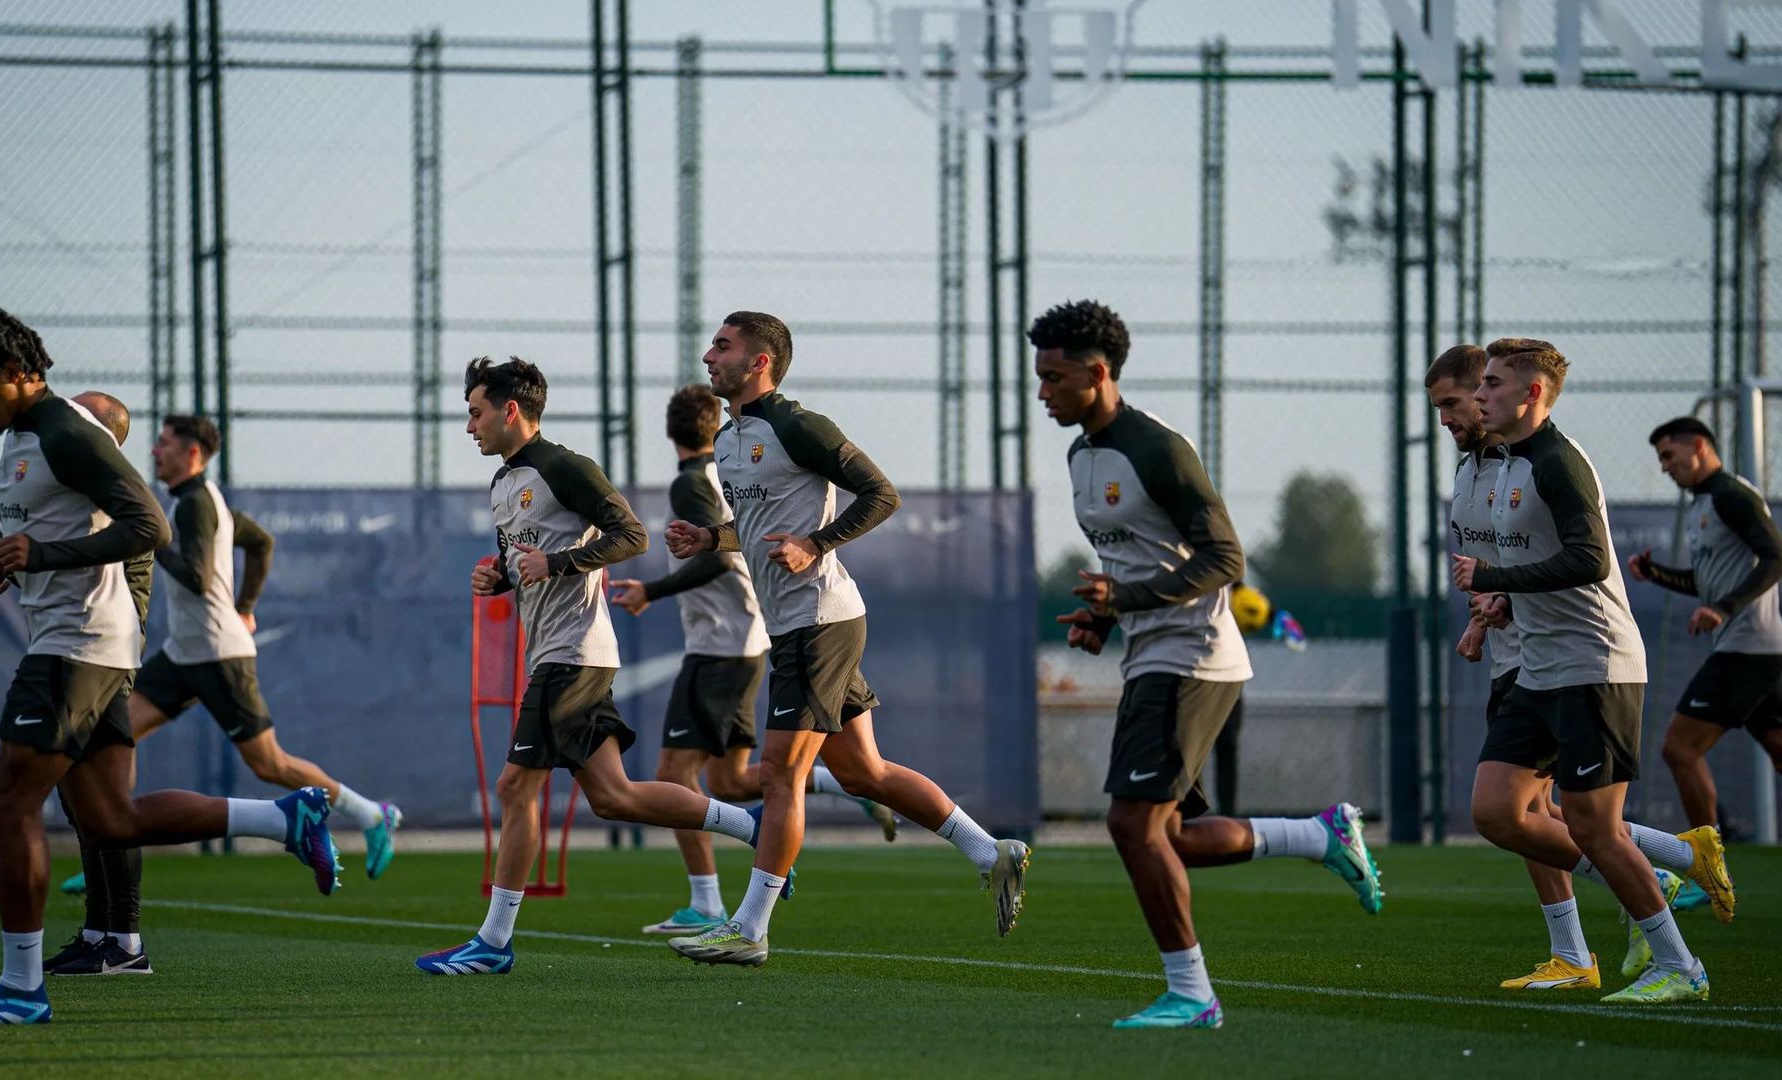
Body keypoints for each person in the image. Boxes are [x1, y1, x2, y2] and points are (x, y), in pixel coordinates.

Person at [0, 309, 341, 1026]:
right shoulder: (26, 439)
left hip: (77, 645)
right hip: (82, 643)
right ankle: (284, 818)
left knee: (7, 804)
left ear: (20, 373)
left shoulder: (63, 430)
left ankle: (23, 988)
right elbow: (41, 551)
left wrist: (37, 555)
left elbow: (147, 525)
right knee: (110, 819)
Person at [1035, 299, 1380, 1030]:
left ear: (1098, 374)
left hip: (1191, 656)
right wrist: (1105, 615)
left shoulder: (1158, 447)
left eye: (1055, 378)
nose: (1043, 393)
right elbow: (1137, 560)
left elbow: (1226, 559)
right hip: (1151, 654)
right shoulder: (1080, 455)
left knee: (1132, 825)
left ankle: (1193, 995)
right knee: (1174, 837)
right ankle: (1320, 835)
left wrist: (1126, 595)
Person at [662, 311, 1030, 969]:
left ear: (760, 362)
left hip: (821, 622)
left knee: (779, 773)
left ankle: (749, 928)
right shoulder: (727, 440)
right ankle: (989, 851)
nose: (708, 355)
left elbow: (881, 495)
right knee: (864, 772)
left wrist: (816, 543)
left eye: (723, 346)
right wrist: (709, 539)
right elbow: (757, 527)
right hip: (797, 627)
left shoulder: (798, 425)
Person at [415, 357, 771, 976]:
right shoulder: (504, 483)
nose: (469, 426)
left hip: (573, 656)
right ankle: (752, 826)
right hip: (561, 655)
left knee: (515, 787)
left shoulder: (565, 467)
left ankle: (494, 943)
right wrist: (498, 576)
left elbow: (630, 536)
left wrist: (553, 565)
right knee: (613, 797)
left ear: (511, 411)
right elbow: (524, 560)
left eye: (475, 413)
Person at [1454, 337, 1725, 1005]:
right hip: (1539, 668)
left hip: (1592, 663)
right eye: (1480, 384)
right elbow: (1536, 562)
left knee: (1593, 827)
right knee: (1496, 813)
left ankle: (1681, 967)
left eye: (1491, 384)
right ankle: (1667, 863)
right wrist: (1496, 602)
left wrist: (1495, 576)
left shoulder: (1557, 462)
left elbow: (1590, 560)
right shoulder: (1507, 464)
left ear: (1531, 394)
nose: (1480, 394)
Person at [609, 385, 895, 937]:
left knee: (680, 775)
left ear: (669, 432)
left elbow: (720, 564)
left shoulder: (694, 482)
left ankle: (713, 902)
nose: (713, 359)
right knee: (733, 776)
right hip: (749, 637)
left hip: (725, 644)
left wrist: (655, 589)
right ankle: (834, 792)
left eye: (721, 348)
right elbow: (740, 539)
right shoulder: (728, 465)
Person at [133, 415, 401, 879]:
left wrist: (152, 541)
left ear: (192, 452)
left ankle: (372, 816)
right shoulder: (199, 499)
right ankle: (111, 850)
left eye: (164, 443)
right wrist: (246, 605)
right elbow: (261, 542)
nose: (155, 450)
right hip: (185, 653)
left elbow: (197, 576)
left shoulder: (197, 503)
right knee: (114, 734)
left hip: (218, 655)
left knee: (269, 763)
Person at [0, 389, 161, 977]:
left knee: (105, 811)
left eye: (87, 416)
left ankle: (123, 938)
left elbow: (60, 568)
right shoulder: (77, 495)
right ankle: (103, 934)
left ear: (105, 435)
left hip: (102, 662)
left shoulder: (112, 504)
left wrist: (7, 545)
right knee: (87, 809)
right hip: (84, 654)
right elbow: (42, 575)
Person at [1629, 417, 1782, 902]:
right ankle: (1707, 865)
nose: (1665, 467)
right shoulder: (1703, 505)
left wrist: (1724, 609)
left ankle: (1706, 869)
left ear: (1699, 446)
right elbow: (1706, 582)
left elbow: (1775, 556)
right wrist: (1657, 575)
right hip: (1749, 646)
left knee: (1679, 749)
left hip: (1749, 646)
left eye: (1669, 456)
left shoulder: (1731, 495)